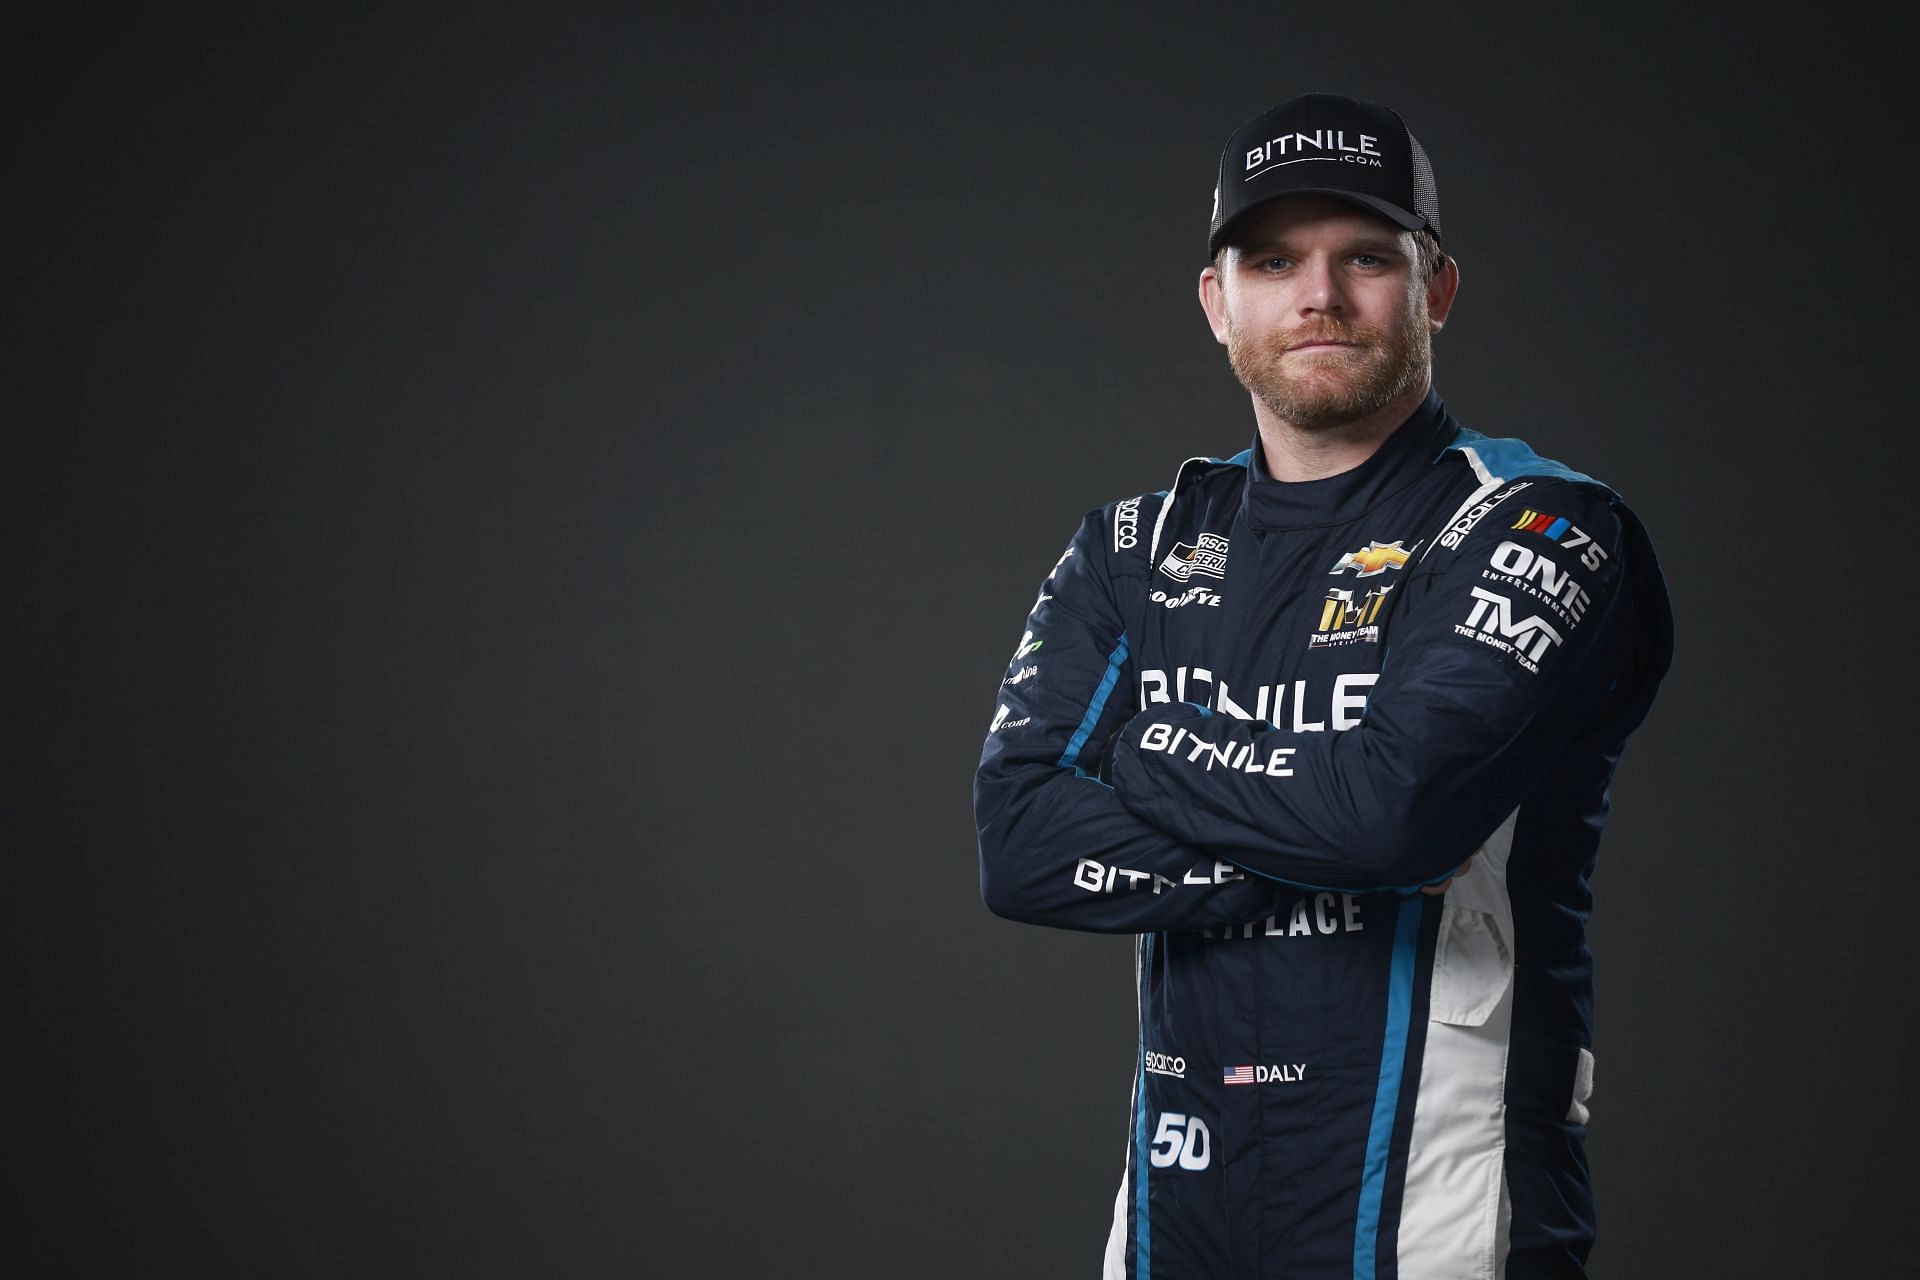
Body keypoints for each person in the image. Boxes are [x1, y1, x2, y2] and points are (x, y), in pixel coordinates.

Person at [973, 92, 1673, 1279]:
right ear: (1218, 301)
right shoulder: (1135, 543)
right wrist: (1315, 840)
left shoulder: (1545, 521)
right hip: (1173, 1213)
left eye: (1366, 258)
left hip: (1444, 1206)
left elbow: (1391, 812)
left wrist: (1147, 746)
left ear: (1436, 288)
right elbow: (1021, 839)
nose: (1320, 297)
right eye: (1273, 259)